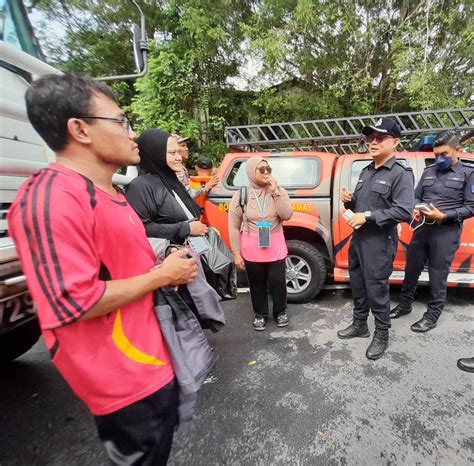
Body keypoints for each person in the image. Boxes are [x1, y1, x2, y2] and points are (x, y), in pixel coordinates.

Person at [7, 73, 198, 464]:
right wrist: (162, 276)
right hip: (122, 377)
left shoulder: (110, 192)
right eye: (120, 121)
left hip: (154, 360)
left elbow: (122, 267)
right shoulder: (51, 198)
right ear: (79, 129)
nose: (132, 134)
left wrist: (164, 267)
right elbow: (72, 302)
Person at [337, 118, 414, 360]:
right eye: (370, 138)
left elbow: (404, 211)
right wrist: (349, 201)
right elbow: (362, 206)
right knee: (357, 284)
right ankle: (360, 324)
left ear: (396, 142)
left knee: (377, 289)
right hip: (359, 240)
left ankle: (382, 332)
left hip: (379, 243)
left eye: (380, 138)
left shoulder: (400, 174)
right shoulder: (366, 170)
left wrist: (367, 216)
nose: (373, 142)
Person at [390, 130, 474, 332]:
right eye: (437, 154)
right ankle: (404, 305)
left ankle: (432, 315)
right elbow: (416, 197)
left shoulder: (468, 174)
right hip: (423, 229)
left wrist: (444, 216)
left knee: (438, 275)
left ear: (457, 150)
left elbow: (471, 206)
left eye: (444, 154)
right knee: (411, 270)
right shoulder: (429, 172)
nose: (440, 158)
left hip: (446, 232)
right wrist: (417, 210)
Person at [228, 156, 293, 331]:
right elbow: (233, 226)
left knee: (278, 282)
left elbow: (286, 215)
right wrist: (236, 252)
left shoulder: (278, 191)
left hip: (275, 245)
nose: (266, 173)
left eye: (268, 169)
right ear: (251, 172)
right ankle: (260, 314)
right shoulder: (241, 195)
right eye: (261, 169)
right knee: (256, 283)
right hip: (251, 247)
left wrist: (276, 192)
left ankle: (280, 312)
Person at [125, 129, 208, 244]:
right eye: (173, 153)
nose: (179, 158)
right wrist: (185, 229)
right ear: (155, 153)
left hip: (191, 253)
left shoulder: (171, 180)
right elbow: (141, 228)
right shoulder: (141, 186)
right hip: (169, 257)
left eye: (179, 152)